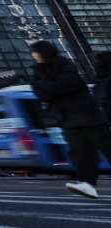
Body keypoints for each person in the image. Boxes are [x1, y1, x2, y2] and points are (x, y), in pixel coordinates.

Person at [30, 40, 111, 199]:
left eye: (35, 51)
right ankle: (88, 184)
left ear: (44, 51)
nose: (33, 55)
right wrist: (52, 89)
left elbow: (68, 84)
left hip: (87, 115)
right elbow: (41, 92)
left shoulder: (65, 64)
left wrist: (50, 89)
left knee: (107, 147)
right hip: (66, 119)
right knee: (81, 154)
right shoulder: (37, 71)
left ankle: (88, 183)